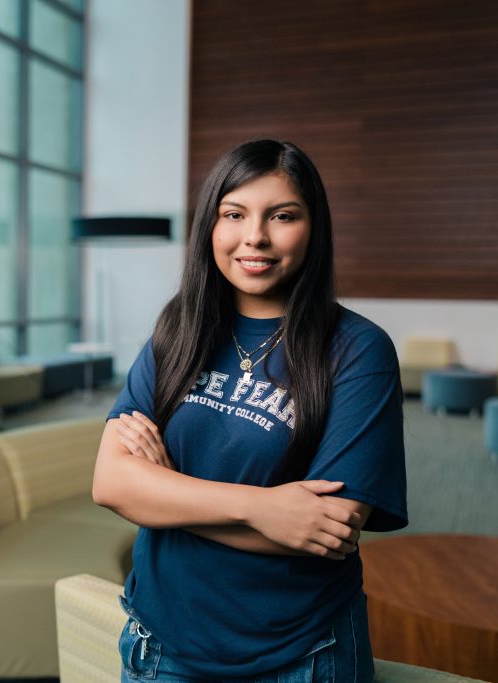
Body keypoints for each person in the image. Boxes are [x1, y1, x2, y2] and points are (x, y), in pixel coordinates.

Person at [92, 139, 407, 682]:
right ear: (210, 228)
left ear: (314, 228)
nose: (254, 236)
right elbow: (111, 483)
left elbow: (329, 527)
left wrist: (165, 491)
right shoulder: (179, 329)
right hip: (161, 645)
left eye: (282, 216)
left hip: (302, 654)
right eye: (233, 214)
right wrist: (262, 508)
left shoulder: (357, 349)